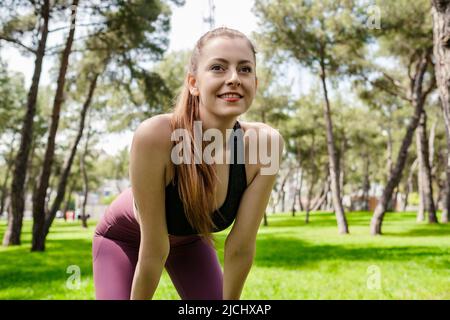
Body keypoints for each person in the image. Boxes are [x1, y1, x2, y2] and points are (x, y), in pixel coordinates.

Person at [92, 27, 284, 300]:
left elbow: (241, 246)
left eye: (244, 69)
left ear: (256, 82)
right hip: (124, 240)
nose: (233, 78)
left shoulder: (266, 144)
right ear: (193, 83)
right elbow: (154, 249)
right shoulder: (156, 136)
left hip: (191, 242)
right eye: (218, 68)